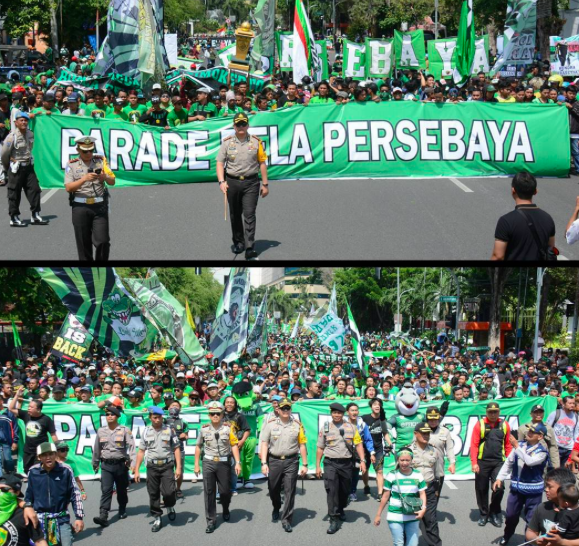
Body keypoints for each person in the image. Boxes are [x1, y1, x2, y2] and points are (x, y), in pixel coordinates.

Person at [216, 111, 269, 260]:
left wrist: (265, 184)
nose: (241, 126)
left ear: (248, 125)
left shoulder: (256, 142)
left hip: (251, 182)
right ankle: (238, 242)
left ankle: (249, 246)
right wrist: (221, 182)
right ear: (233, 126)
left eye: (243, 124)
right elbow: (220, 163)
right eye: (238, 124)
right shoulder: (227, 143)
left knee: (249, 214)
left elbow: (262, 163)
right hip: (232, 182)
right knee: (235, 214)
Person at [494, 422, 550, 545]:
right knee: (511, 516)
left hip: (533, 492)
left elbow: (529, 461)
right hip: (516, 490)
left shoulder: (542, 451)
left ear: (540, 437)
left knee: (531, 520)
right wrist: (499, 478)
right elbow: (508, 463)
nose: (528, 433)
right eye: (529, 431)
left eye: (533, 432)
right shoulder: (520, 445)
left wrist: (516, 446)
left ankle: (528, 542)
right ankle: (507, 535)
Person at [316, 402, 366, 534]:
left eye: (339, 413)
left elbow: (359, 444)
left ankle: (341, 508)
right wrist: (317, 466)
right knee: (332, 491)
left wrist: (362, 460)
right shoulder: (325, 427)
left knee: (345, 491)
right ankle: (333, 519)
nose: (336, 415)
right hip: (330, 463)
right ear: (331, 413)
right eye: (334, 412)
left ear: (343, 414)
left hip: (346, 464)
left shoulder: (351, 427)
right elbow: (320, 447)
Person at [260, 397, 308, 533]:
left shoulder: (298, 425)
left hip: (291, 461)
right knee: (273, 488)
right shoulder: (270, 424)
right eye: (283, 408)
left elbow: (302, 445)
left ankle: (286, 519)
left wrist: (305, 464)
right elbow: (264, 443)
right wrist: (264, 462)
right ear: (278, 410)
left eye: (288, 408)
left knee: (290, 490)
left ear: (291, 409)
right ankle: (276, 506)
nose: (286, 410)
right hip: (274, 460)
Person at [64, 135, 116, 261]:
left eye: (91, 150)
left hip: (99, 206)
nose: (88, 153)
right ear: (78, 150)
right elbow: (69, 188)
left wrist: (105, 178)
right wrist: (84, 179)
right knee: (83, 244)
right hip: (80, 207)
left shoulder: (101, 161)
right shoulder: (72, 165)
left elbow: (112, 181)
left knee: (103, 241)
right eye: (85, 151)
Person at [194, 401, 241, 534]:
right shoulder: (203, 429)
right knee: (209, 492)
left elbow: (233, 445)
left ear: (222, 415)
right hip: (208, 462)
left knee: (225, 491)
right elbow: (198, 446)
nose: (215, 416)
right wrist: (196, 464)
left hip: (224, 463)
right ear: (209, 415)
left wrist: (238, 462)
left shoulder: (228, 428)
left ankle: (225, 508)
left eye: (218, 413)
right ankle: (211, 520)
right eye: (212, 413)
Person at [25, 442, 84, 546]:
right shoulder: (33, 472)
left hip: (61, 518)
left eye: (51, 454)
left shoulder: (65, 470)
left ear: (56, 455)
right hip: (40, 521)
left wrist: (79, 517)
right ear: (39, 457)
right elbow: (28, 496)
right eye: (44, 455)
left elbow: (75, 494)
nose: (48, 457)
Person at [134, 406, 181, 532]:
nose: (157, 420)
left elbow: (176, 448)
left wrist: (179, 468)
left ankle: (170, 506)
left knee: (169, 492)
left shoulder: (169, 430)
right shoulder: (145, 431)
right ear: (150, 418)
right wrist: (137, 470)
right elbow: (141, 451)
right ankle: (157, 518)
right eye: (154, 417)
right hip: (152, 466)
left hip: (167, 465)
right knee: (153, 493)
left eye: (159, 417)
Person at [491, 171, 556, 261]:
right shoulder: (548, 218)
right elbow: (551, 249)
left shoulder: (506, 221)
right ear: (535, 191)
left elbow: (498, 256)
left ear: (513, 190)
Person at [91, 404, 136, 527]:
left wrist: (133, 463)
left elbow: (131, 447)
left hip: (120, 464)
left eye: (112, 414)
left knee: (121, 490)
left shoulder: (124, 430)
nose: (109, 416)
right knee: (106, 490)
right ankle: (103, 515)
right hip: (106, 464)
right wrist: (95, 462)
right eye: (107, 414)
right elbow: (97, 448)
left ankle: (122, 508)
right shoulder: (101, 431)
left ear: (117, 417)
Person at [1, 111, 47, 227]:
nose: (24, 122)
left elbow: (29, 148)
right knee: (14, 193)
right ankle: (14, 217)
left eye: (26, 120)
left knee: (35, 190)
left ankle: (35, 215)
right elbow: (4, 154)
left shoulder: (30, 134)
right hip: (16, 168)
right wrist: (8, 168)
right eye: (21, 120)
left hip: (28, 167)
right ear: (16, 123)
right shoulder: (12, 137)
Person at [470, 401, 512, 527]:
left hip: (499, 462)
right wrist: (474, 463)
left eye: (495, 412)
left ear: (499, 412)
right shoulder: (480, 425)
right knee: (481, 489)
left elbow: (508, 445)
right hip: (482, 462)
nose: (493, 414)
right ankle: (484, 513)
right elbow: (474, 445)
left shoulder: (504, 425)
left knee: (499, 488)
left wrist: (509, 463)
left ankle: (494, 512)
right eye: (490, 412)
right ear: (486, 412)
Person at [374, 446, 427, 546]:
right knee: (398, 543)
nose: (404, 463)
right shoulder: (392, 475)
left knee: (413, 544)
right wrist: (378, 514)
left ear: (411, 460)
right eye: (402, 460)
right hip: (395, 515)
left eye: (407, 460)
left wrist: (423, 509)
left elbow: (422, 494)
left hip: (413, 514)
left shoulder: (418, 475)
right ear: (398, 460)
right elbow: (385, 496)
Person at [9, 390, 58, 473]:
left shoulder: (46, 419)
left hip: (40, 451)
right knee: (27, 471)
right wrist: (17, 395)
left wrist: (58, 448)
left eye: (31, 407)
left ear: (38, 409)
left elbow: (53, 435)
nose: (28, 408)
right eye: (28, 406)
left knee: (39, 471)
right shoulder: (26, 415)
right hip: (28, 450)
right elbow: (11, 408)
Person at [410, 422, 443, 546]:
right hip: (412, 492)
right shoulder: (407, 451)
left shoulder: (434, 450)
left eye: (428, 433)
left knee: (431, 520)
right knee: (409, 521)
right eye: (423, 433)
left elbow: (437, 472)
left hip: (429, 490)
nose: (426, 435)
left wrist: (436, 489)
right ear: (415, 434)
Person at [525, 467, 577, 543]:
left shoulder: (576, 513)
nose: (546, 489)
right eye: (546, 486)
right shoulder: (542, 508)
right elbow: (530, 532)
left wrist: (562, 542)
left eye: (550, 486)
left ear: (563, 489)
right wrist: (536, 539)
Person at [0, 473, 47, 546]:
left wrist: (27, 506)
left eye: (4, 490)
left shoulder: (26, 516)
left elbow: (40, 542)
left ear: (17, 492)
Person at [518, 404, 560, 469]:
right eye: (535, 412)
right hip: (527, 460)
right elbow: (519, 446)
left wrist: (556, 466)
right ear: (531, 414)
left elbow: (553, 447)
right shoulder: (523, 428)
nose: (538, 414)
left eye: (540, 412)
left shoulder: (548, 428)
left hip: (542, 460)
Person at [425, 407, 455, 494]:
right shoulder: (421, 431)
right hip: (424, 467)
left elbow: (449, 448)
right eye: (431, 419)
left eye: (435, 419)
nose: (433, 421)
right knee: (423, 496)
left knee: (435, 496)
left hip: (438, 468)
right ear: (427, 418)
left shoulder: (445, 431)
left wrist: (452, 463)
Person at [164, 400, 188, 498]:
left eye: (177, 406)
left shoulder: (183, 422)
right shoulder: (163, 420)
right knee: (166, 471)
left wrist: (185, 435)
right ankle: (168, 489)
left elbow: (186, 435)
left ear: (180, 409)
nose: (174, 408)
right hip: (166, 450)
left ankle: (178, 489)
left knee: (179, 470)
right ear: (168, 408)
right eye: (172, 406)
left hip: (179, 449)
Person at [547, 396, 579, 467]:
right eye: (570, 403)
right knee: (554, 469)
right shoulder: (555, 414)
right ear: (563, 404)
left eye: (573, 403)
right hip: (556, 447)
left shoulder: (576, 417)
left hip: (569, 448)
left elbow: (576, 434)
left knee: (564, 472)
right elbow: (548, 428)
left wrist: (574, 448)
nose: (572, 405)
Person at [0, 394, 18, 477]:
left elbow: (15, 427)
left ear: (1, 401)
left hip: (6, 441)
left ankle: (11, 473)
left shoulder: (8, 413)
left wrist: (15, 441)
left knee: (8, 459)